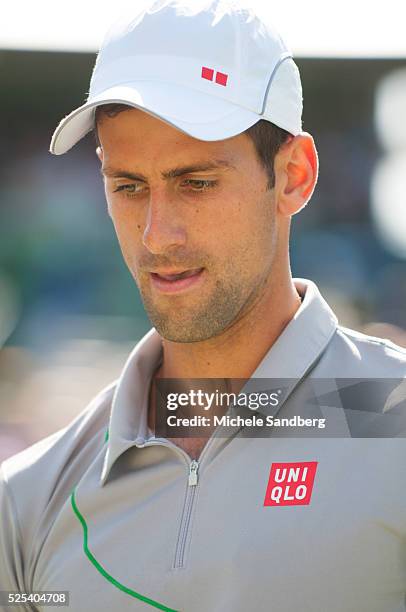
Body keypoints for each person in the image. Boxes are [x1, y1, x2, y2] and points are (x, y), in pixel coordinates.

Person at [1, 1, 405, 611]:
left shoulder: (394, 419)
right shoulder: (28, 499)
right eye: (128, 187)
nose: (157, 236)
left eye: (196, 182)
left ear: (294, 175)